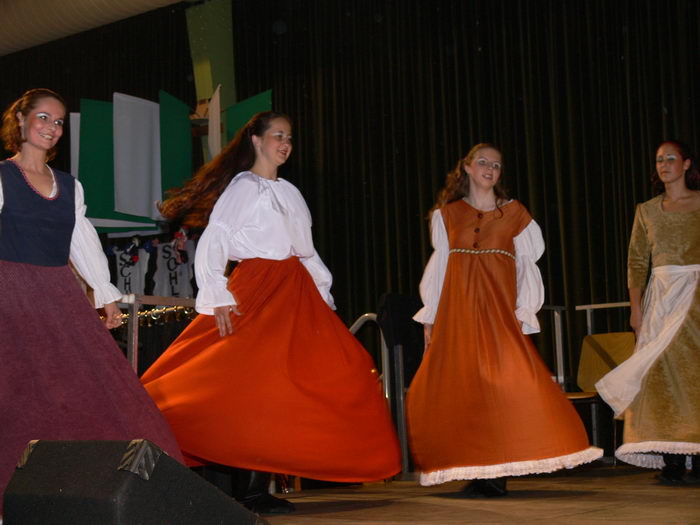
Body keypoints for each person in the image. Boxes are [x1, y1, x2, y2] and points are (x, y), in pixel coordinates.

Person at [141, 111, 401, 513]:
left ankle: (265, 481)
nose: (285, 143)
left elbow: (305, 251)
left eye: (290, 138)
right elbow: (218, 237)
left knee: (340, 369)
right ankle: (249, 489)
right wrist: (217, 291)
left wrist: (322, 296)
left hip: (294, 289)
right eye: (278, 135)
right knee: (249, 382)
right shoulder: (244, 187)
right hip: (258, 287)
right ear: (256, 141)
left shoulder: (291, 193)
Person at [0, 89, 183, 510]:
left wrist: (107, 297)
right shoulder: (4, 177)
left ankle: (80, 489)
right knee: (16, 390)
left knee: (84, 388)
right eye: (43, 117)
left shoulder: (68, 186)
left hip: (57, 295)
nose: (51, 127)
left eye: (59, 121)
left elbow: (82, 242)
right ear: (21, 121)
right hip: (10, 295)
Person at [407, 143, 602, 497]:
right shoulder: (447, 215)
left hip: (497, 313)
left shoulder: (515, 215)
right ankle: (481, 472)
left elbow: (527, 268)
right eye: (482, 162)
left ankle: (502, 470)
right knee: (465, 392)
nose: (489, 169)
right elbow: (439, 270)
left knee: (509, 386)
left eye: (496, 165)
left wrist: (523, 312)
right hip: (458, 314)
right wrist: (430, 319)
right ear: (466, 167)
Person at [596, 140, 700, 485]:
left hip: (696, 298)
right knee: (658, 376)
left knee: (694, 377)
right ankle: (671, 460)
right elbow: (637, 261)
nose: (664, 164)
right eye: (659, 159)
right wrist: (636, 310)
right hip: (661, 298)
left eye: (671, 158)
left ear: (686, 164)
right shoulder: (647, 210)